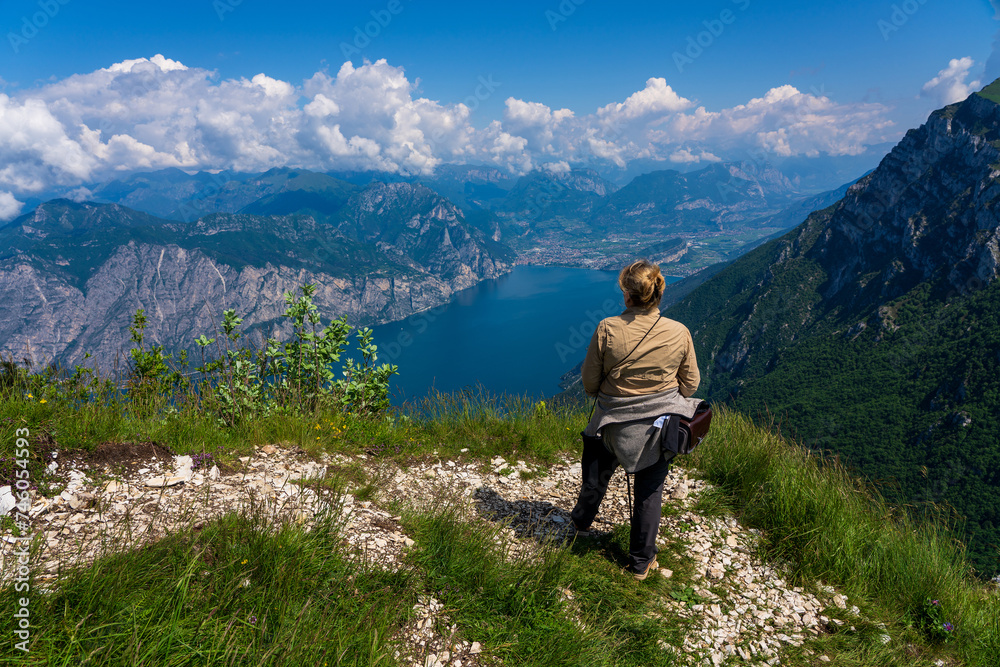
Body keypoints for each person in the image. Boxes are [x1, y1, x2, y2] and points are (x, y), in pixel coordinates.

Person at [571, 259, 701, 580]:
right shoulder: (679, 332)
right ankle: (641, 563)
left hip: (611, 425)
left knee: (596, 476)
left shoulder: (607, 329)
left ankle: (580, 525)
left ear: (628, 296)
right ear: (658, 294)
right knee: (649, 491)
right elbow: (690, 385)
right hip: (657, 432)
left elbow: (589, 384)